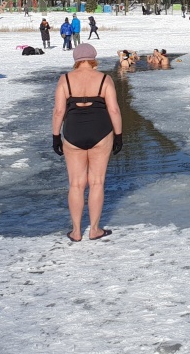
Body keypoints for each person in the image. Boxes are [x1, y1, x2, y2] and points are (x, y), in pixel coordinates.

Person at [52, 43, 123, 241]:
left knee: (76, 184)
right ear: (93, 58)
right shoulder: (104, 79)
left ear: (75, 60)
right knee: (97, 182)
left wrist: (56, 136)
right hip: (101, 131)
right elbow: (114, 110)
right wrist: (118, 135)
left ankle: (76, 231)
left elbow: (59, 111)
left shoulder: (65, 79)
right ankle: (94, 229)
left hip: (73, 132)